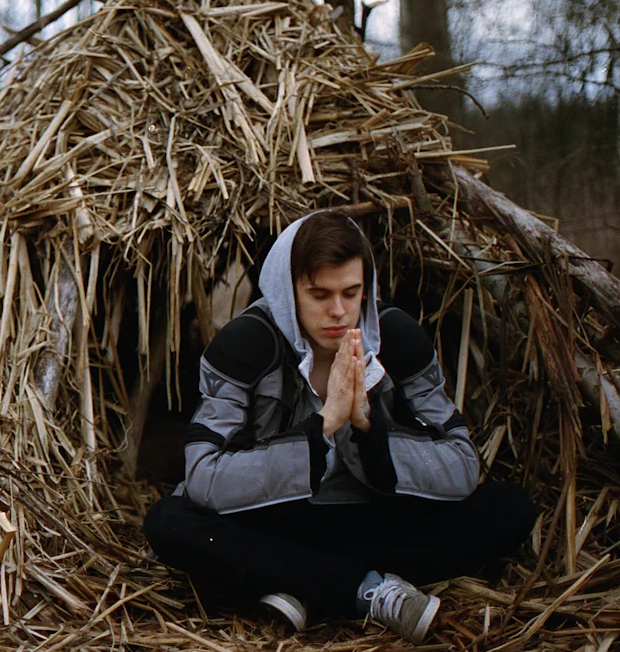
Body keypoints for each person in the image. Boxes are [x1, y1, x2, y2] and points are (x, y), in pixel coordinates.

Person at [143, 211, 537, 643]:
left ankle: (299, 581)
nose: (338, 311)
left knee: (509, 507)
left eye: (351, 293)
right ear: (287, 291)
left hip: (372, 514)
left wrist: (369, 429)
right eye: (319, 294)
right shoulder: (245, 345)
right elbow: (202, 475)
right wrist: (322, 427)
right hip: (276, 518)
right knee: (170, 521)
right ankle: (367, 590)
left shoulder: (398, 339)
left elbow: (462, 465)